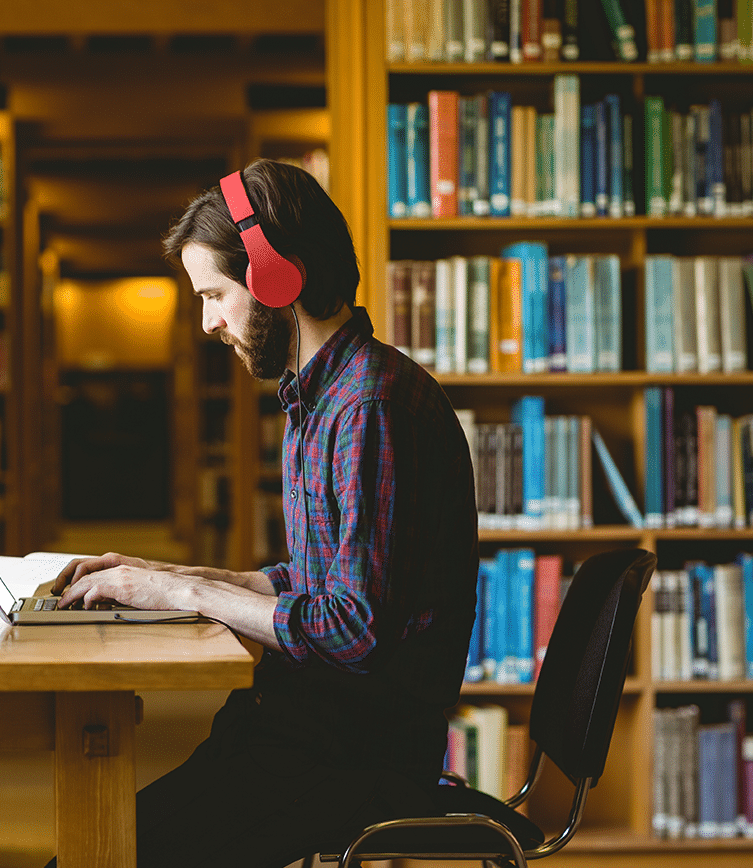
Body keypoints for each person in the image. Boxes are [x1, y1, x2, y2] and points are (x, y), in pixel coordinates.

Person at [51, 158, 479, 868]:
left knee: (98, 854)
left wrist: (182, 594)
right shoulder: (324, 395)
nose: (207, 322)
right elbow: (319, 579)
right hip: (302, 729)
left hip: (347, 754)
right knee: (95, 845)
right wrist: (164, 573)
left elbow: (354, 629)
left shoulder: (368, 404)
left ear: (277, 277)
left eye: (215, 294)